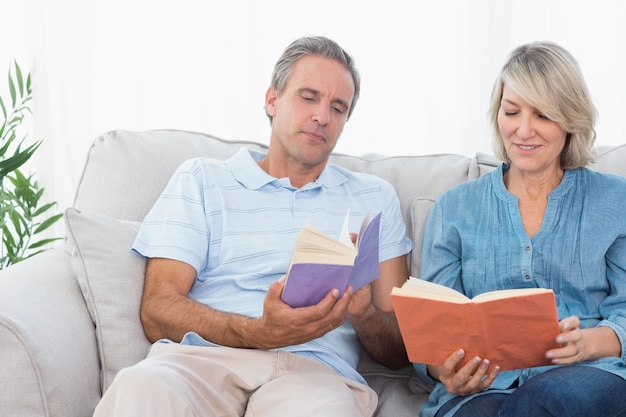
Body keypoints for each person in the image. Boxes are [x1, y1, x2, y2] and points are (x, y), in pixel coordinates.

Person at [92, 35, 412, 417]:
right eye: (308, 97)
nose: (322, 117)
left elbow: (399, 350)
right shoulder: (203, 180)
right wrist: (260, 330)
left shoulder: (374, 197)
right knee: (141, 386)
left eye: (338, 107)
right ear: (273, 100)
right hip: (203, 361)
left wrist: (363, 314)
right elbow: (158, 309)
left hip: (314, 376)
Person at [413, 41, 626, 417]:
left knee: (541, 402)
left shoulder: (614, 200)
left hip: (588, 372)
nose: (523, 130)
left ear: (570, 119)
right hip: (483, 386)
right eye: (512, 112)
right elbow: (434, 331)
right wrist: (444, 370)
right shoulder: (454, 208)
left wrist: (587, 344)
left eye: (542, 115)